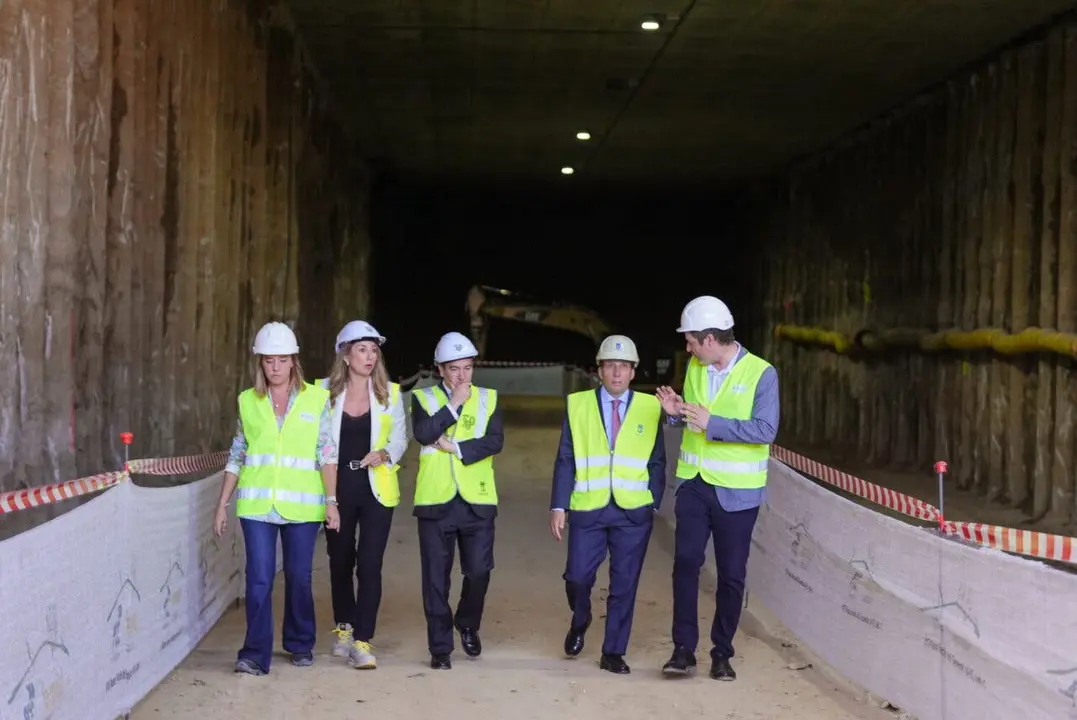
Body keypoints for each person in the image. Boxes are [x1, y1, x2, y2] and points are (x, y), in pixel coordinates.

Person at [654, 296, 779, 681]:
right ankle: (682, 651)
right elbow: (694, 421)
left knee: (731, 575)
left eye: (691, 340)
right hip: (693, 485)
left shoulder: (762, 373)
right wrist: (676, 415)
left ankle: (722, 652)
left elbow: (765, 430)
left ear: (710, 339)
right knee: (686, 564)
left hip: (737, 495)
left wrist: (714, 423)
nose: (687, 347)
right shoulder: (695, 367)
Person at [213, 321, 340, 676]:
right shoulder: (247, 401)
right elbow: (237, 454)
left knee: (299, 576)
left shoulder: (316, 399)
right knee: (259, 579)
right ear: (260, 363)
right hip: (256, 506)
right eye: (269, 360)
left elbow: (326, 453)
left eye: (282, 360)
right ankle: (254, 653)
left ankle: (300, 643)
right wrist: (222, 503)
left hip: (302, 507)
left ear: (293, 361)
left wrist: (332, 502)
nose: (275, 367)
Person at [549, 334, 666, 675]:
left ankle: (613, 652)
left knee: (624, 584)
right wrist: (559, 505)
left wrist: (653, 501)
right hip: (589, 507)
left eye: (624, 367)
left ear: (633, 372)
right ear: (598, 370)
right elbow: (565, 458)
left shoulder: (650, 406)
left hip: (633, 512)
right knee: (577, 576)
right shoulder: (578, 404)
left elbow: (657, 459)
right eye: (610, 366)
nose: (617, 373)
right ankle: (581, 617)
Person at [317, 320, 409, 669]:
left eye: (374, 350)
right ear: (345, 353)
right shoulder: (322, 393)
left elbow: (400, 438)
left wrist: (386, 453)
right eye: (362, 349)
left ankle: (362, 641)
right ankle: (344, 626)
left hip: (376, 488)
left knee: (370, 564)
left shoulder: (391, 394)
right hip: (337, 487)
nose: (369, 356)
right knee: (341, 560)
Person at [410, 331, 505, 669]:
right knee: (436, 578)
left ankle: (467, 622)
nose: (462, 376)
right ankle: (440, 649)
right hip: (435, 500)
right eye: (454, 369)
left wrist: (456, 447)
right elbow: (423, 433)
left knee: (479, 571)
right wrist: (453, 405)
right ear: (440, 369)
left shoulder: (489, 398)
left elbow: (494, 441)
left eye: (467, 368)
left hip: (477, 499)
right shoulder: (422, 399)